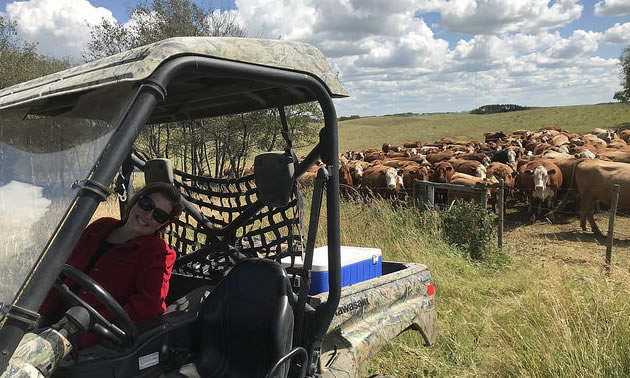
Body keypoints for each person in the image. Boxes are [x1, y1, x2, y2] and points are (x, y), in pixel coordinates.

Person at [39, 182, 184, 348]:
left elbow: (148, 308)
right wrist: (40, 314)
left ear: (163, 224)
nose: (147, 215)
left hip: (88, 335)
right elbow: (61, 271)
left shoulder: (158, 254)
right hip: (52, 318)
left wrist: (89, 324)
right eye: (146, 204)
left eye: (158, 215)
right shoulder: (100, 227)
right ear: (137, 200)